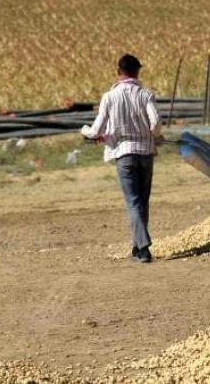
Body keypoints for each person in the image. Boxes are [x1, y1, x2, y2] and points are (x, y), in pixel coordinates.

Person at [81, 53, 163, 264]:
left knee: (133, 202)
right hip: (145, 153)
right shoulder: (146, 95)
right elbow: (155, 123)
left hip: (123, 154)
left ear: (119, 72)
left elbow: (97, 129)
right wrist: (156, 137)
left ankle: (143, 249)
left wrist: (87, 131)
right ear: (137, 71)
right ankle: (137, 247)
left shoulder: (109, 97)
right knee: (143, 202)